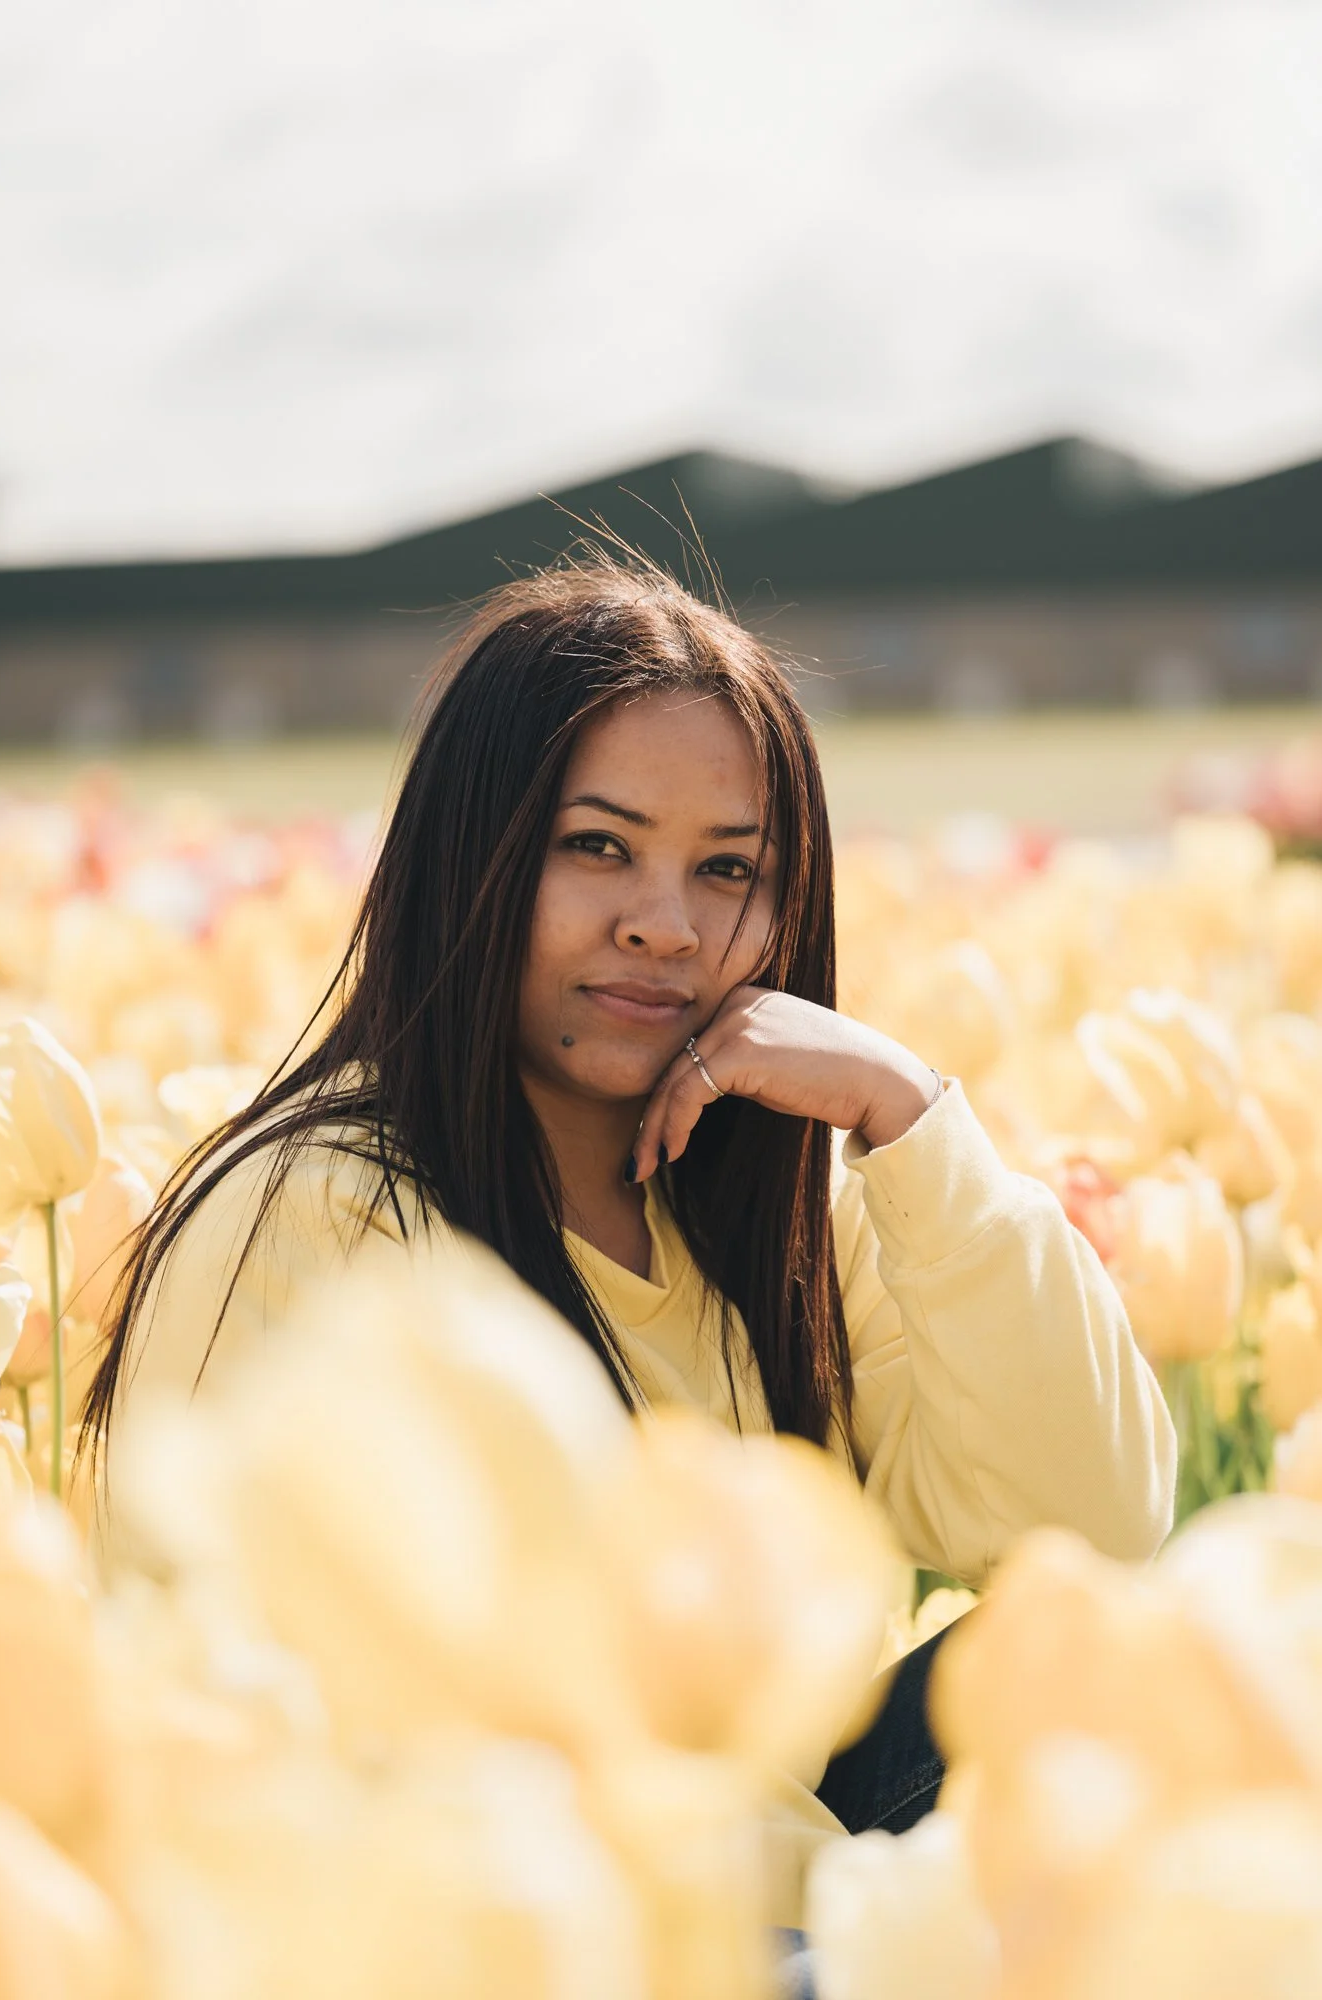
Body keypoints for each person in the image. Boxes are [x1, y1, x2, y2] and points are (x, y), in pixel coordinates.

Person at [80, 556, 1177, 1927]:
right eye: (597, 845)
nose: (665, 924)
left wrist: (910, 1117)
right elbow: (291, 1741)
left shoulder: (773, 1217)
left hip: (768, 1902)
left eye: (728, 869)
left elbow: (1095, 1526)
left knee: (1124, 1677)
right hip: (505, 1934)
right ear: (470, 853)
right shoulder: (319, 1216)